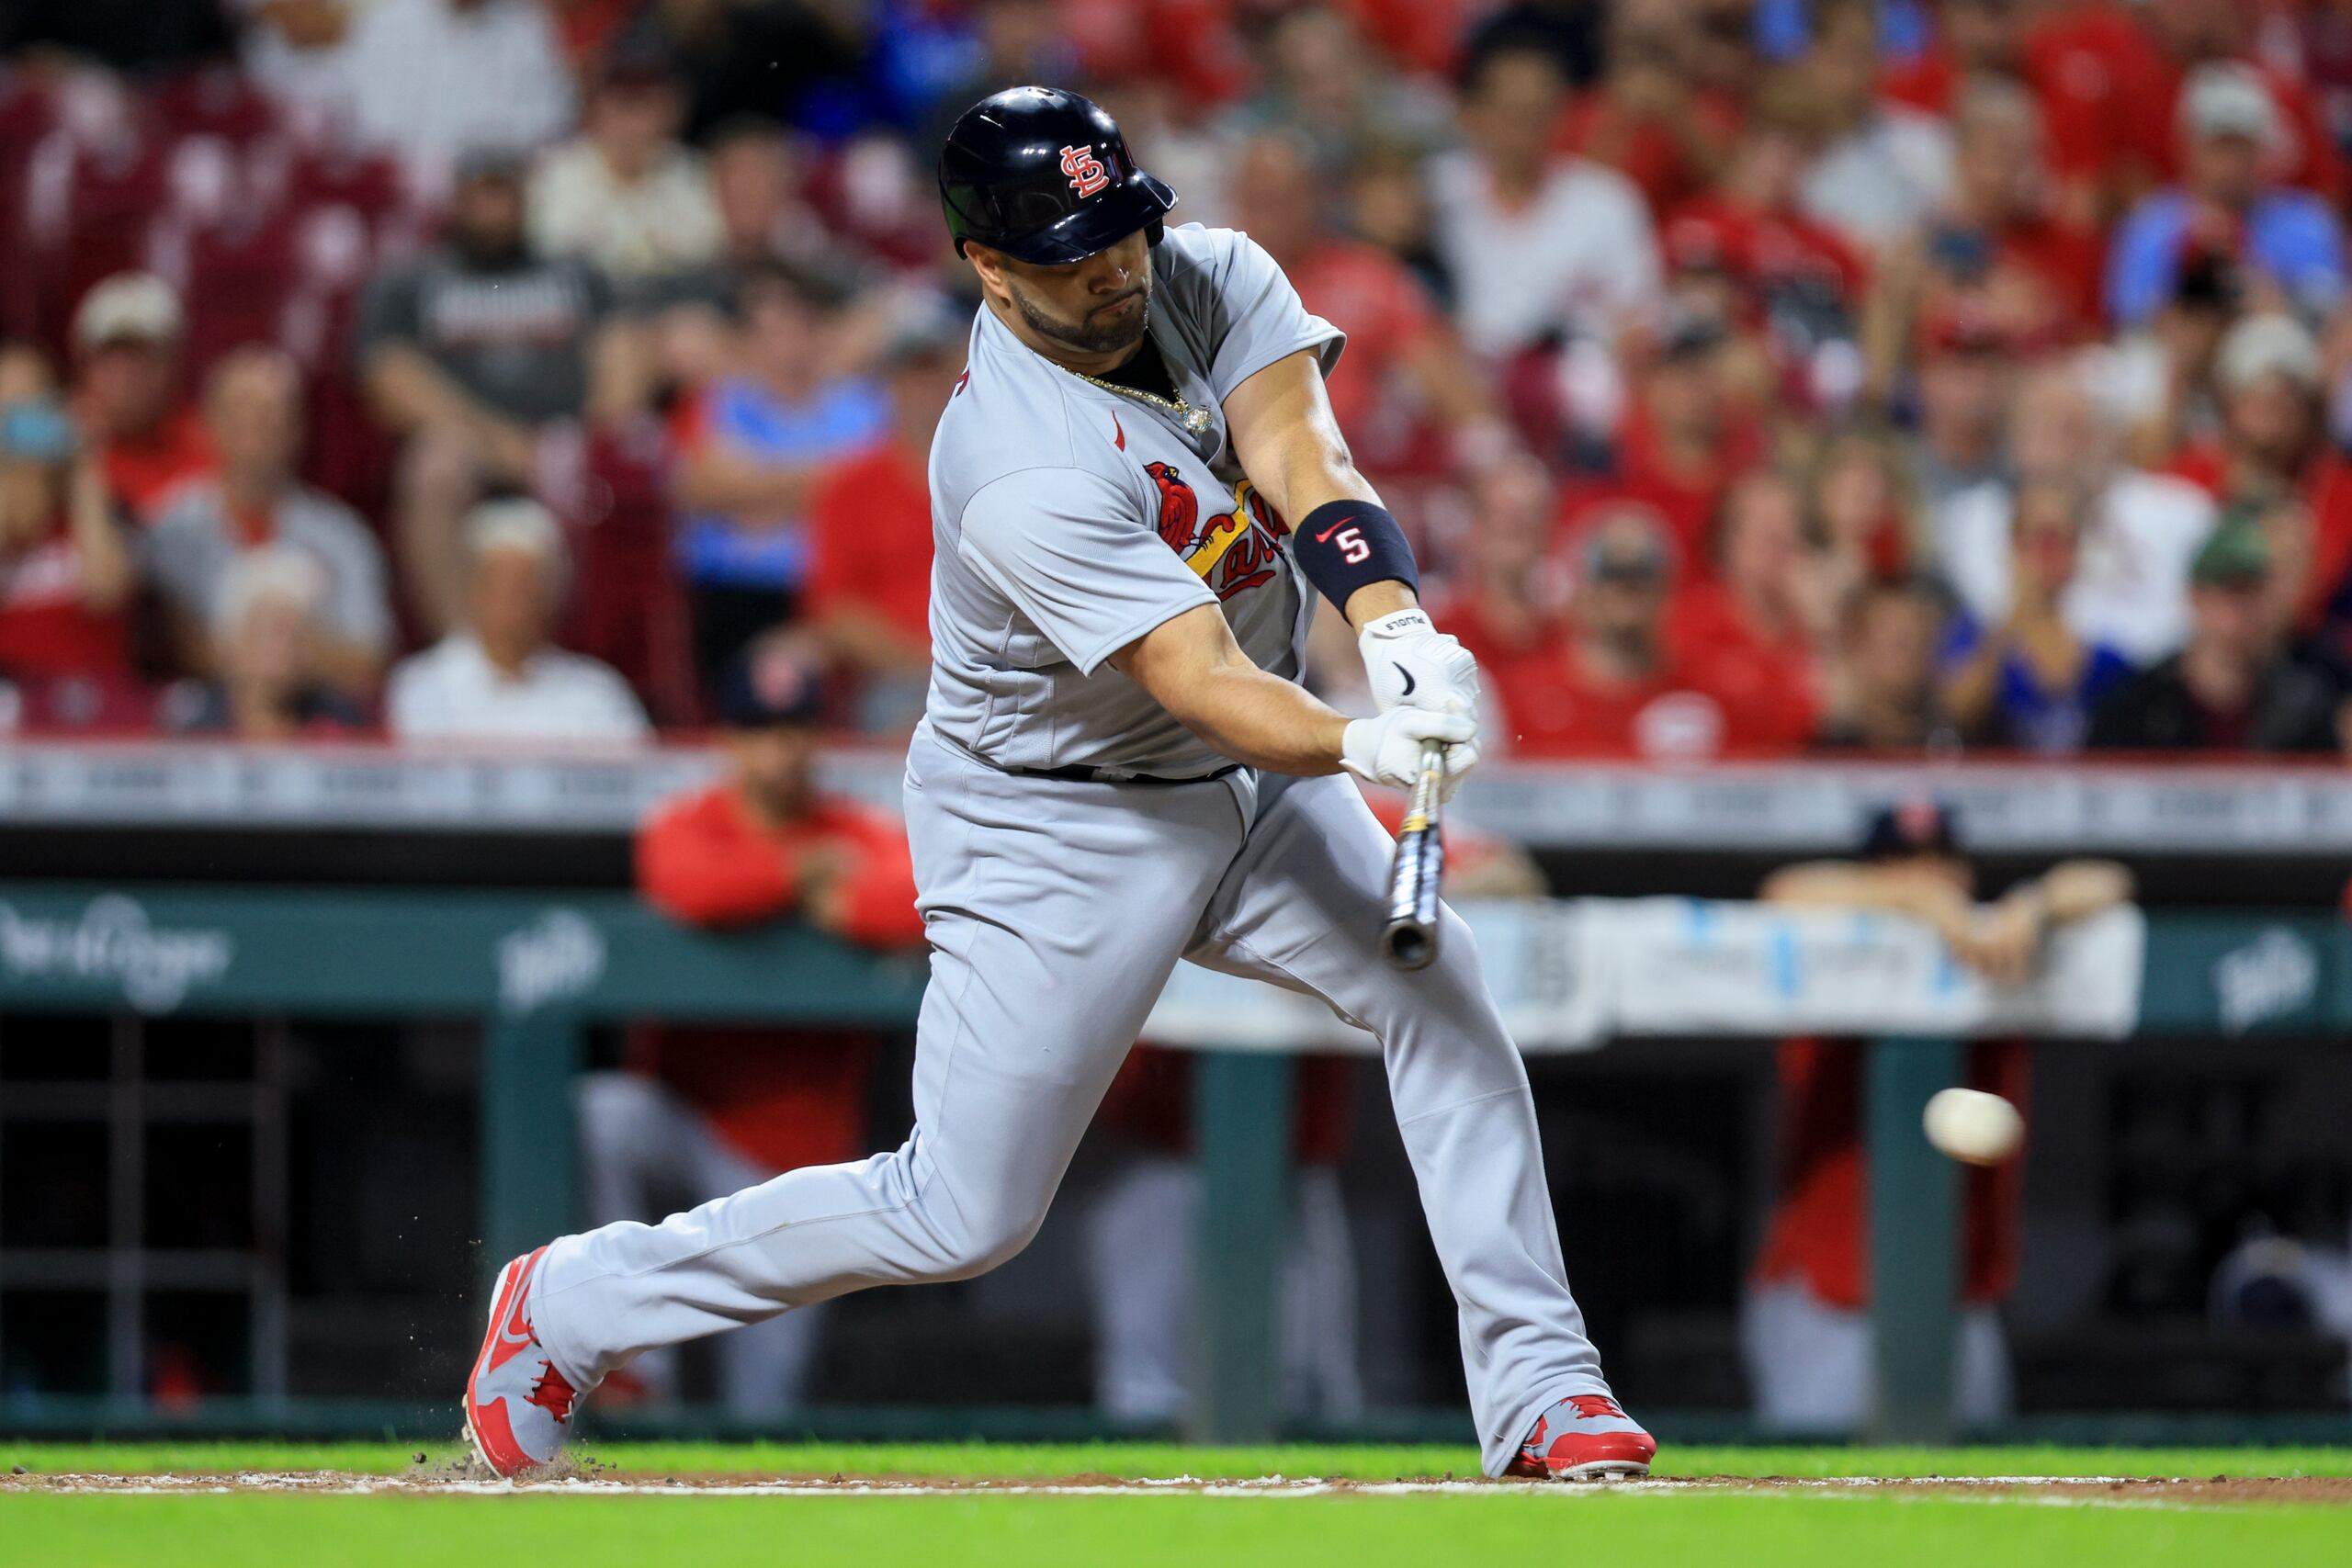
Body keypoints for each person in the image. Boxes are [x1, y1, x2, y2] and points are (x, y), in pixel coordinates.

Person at [464, 86, 1654, 1485]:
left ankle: (1542, 1394)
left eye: (1121, 228)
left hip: (1243, 775)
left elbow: (1301, 453)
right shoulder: (1010, 461)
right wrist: (1358, 739)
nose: (1114, 265)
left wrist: (1390, 628)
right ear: (987, 264)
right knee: (958, 1210)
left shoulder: (1205, 270)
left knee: (1440, 991)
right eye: (1072, 248)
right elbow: (1200, 673)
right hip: (1056, 815)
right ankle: (569, 1301)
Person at [584, 643, 923, 1418]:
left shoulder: (857, 828)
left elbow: (913, 897)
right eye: (762, 729)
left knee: (763, 1414)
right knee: (605, 1113)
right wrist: (799, 877)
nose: (781, 748)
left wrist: (807, 889)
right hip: (687, 1127)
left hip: (796, 1168)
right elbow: (680, 879)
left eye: (797, 727)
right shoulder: (694, 823)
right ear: (730, 741)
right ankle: (633, 1362)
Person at [1746, 799, 2134, 1435]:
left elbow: (2107, 881)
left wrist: (2033, 907)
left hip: (1960, 1298)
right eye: (1904, 863)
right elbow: (1785, 891)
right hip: (1827, 1288)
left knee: (1968, 1497)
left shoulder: (2000, 941)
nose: (1932, 876)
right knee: (1810, 1495)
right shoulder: (1835, 941)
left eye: (1942, 862)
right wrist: (1919, 904)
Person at [356, 147, 636, 636]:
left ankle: (605, 646)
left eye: (503, 192)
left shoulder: (573, 270)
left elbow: (625, 346)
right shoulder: (414, 280)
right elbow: (389, 375)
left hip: (569, 439)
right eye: (481, 193)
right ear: (458, 200)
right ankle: (465, 656)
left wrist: (596, 433)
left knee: (628, 461)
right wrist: (506, 446)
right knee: (434, 466)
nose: (493, 207)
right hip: (471, 444)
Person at [668, 261, 889, 691]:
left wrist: (755, 490)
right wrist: (827, 478)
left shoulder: (864, 405)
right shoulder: (718, 403)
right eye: (767, 329)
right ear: (746, 340)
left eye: (794, 326)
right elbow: (702, 488)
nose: (783, 342)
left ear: (820, 332)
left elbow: (876, 488)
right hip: (733, 591)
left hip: (838, 599)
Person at [144, 347, 392, 701]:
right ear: (209, 423)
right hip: (202, 725)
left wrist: (270, 656)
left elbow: (369, 656)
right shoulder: (171, 528)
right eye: (246, 408)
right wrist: (295, 649)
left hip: (315, 723)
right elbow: (172, 650)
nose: (262, 423)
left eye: (277, 411)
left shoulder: (342, 535)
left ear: (299, 428)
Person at [1424, 42, 1662, 364]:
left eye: (1537, 114)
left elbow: (1638, 314)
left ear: (1560, 116)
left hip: (1572, 382)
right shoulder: (1435, 192)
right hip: (1460, 377)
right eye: (1510, 114)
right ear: (1473, 115)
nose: (1523, 130)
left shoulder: (1609, 200)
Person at [1486, 505, 1762, 761]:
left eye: (1642, 571)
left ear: (1667, 590)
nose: (1626, 587)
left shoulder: (1711, 693)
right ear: (1581, 590)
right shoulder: (1523, 697)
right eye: (1609, 571)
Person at [803, 303, 961, 733]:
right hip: (898, 680)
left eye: (936, 372)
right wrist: (929, 664)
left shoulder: (997, 474)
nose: (926, 389)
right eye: (912, 374)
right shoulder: (852, 486)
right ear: (891, 384)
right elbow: (834, 611)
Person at [385, 498, 650, 741]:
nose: (513, 601)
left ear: (552, 595)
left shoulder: (597, 695)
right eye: (500, 583)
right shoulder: (421, 688)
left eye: (527, 586)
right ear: (472, 589)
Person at [2105, 63, 2347, 329]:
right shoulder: (2151, 226)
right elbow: (2129, 325)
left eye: (2242, 145)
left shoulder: (2307, 222)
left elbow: (2335, 317)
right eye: (2220, 145)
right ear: (2187, 147)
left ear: (2263, 148)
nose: (2232, 162)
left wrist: (2272, 299)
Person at [2088, 518, 2352, 754]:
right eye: (2232, 593)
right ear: (2196, 598)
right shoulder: (2136, 709)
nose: (2245, 613)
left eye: (2257, 595)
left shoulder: (2307, 707)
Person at [1939, 478, 2136, 753]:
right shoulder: (1975, 632)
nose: (2048, 555)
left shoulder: (2106, 637)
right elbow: (1956, 713)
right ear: (2013, 547)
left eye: (2061, 541)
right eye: (2038, 540)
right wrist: (2014, 621)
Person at [527, 40, 725, 285]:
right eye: (623, 104)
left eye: (647, 105)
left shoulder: (688, 168)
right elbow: (553, 246)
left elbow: (706, 245)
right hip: (587, 303)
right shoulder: (558, 169)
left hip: (674, 298)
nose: (634, 121)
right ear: (595, 107)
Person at [0, 372, 137, 685]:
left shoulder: (97, 507)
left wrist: (84, 467)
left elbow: (105, 590)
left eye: (34, 411)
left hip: (88, 703)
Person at [159, 547, 370, 737]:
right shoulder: (193, 725)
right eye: (277, 630)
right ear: (234, 640)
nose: (291, 647)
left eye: (300, 634)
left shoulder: (340, 720)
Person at [68, 275, 212, 519]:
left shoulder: (206, 450)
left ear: (172, 366)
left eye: (141, 359)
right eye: (111, 359)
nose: (125, 377)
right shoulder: (52, 437)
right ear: (85, 367)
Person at [1814, 576, 1957, 752]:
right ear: (1856, 647)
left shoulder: (1951, 746)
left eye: (1921, 640)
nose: (1914, 653)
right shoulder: (1824, 753)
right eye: (1900, 643)